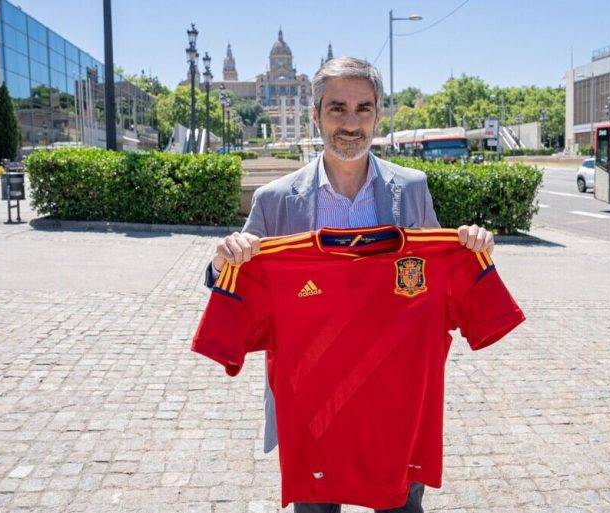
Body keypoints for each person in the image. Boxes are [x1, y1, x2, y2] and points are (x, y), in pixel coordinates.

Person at [205, 56, 495, 513]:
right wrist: (223, 260)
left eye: (363, 108)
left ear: (378, 115)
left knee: (400, 507)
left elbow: (436, 274)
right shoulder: (275, 201)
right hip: (312, 405)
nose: (351, 123)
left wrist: (470, 248)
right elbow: (234, 284)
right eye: (337, 108)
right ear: (316, 114)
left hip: (393, 401)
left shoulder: (413, 189)